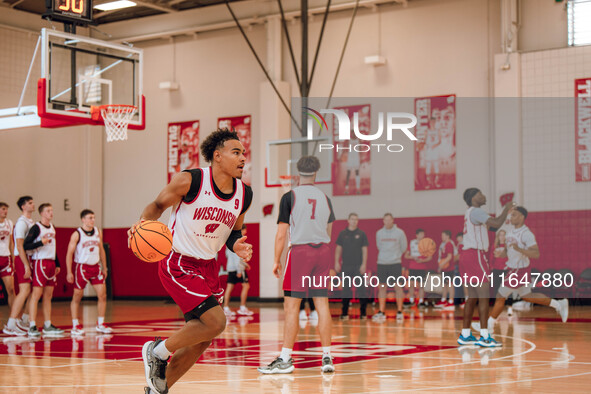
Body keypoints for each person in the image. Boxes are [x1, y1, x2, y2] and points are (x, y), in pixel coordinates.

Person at [129, 129, 253, 394]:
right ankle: (157, 351)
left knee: (204, 335)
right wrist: (142, 225)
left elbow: (234, 231)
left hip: (208, 266)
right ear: (217, 156)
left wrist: (237, 245)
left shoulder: (245, 194)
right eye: (236, 152)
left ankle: (157, 389)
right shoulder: (191, 181)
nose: (243, 157)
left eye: (243, 153)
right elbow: (157, 205)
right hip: (178, 262)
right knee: (216, 322)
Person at [258, 156, 335, 375]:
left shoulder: (290, 196)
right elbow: (329, 232)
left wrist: (276, 259)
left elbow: (281, 234)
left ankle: (285, 359)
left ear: (297, 173)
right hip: (323, 251)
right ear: (317, 173)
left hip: (301, 253)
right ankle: (327, 356)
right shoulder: (325, 198)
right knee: (322, 306)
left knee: (292, 308)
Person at [476, 207, 568, 332]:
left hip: (519, 270)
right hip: (514, 269)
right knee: (527, 296)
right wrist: (501, 254)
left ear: (522, 217)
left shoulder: (527, 234)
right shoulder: (510, 232)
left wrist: (520, 249)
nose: (511, 217)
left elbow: (536, 254)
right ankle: (559, 304)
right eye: (511, 215)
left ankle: (488, 325)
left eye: (514, 215)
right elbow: (508, 251)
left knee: (500, 295)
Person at [457, 188, 514, 348]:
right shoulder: (476, 211)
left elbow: (493, 227)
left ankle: (465, 334)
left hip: (467, 256)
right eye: (480, 194)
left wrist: (506, 215)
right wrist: (506, 208)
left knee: (473, 297)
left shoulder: (471, 213)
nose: (484, 196)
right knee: (483, 295)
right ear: (473, 198)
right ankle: (485, 336)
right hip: (475, 255)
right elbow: (496, 223)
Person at [66, 209, 112, 335]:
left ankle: (101, 323)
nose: (92, 220)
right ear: (83, 219)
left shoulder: (98, 232)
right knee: (77, 296)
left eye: (93, 217)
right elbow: (69, 254)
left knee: (102, 295)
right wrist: (69, 272)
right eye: (90, 217)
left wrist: (105, 267)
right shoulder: (77, 234)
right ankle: (75, 325)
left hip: (96, 267)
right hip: (82, 268)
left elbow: (101, 249)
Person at [23, 203, 64, 337]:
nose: (51, 213)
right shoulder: (36, 227)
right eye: (48, 211)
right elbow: (26, 245)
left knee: (48, 296)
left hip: (51, 263)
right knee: (36, 295)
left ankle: (47, 324)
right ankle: (32, 325)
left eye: (52, 210)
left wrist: (57, 263)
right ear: (42, 213)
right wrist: (41, 242)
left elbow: (53, 247)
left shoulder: (52, 227)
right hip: (40, 262)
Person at [2, 196, 35, 336]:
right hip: (22, 258)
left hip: (22, 257)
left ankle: (23, 321)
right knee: (25, 290)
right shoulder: (21, 223)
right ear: (23, 206)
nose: (33, 205)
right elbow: (20, 245)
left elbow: (14, 243)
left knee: (30, 291)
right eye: (30, 203)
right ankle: (11, 324)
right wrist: (25, 264)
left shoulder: (28, 222)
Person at [373, 214, 408, 322]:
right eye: (385, 220)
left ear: (393, 220)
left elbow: (404, 247)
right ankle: (381, 312)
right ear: (383, 221)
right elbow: (379, 246)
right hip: (382, 263)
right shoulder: (379, 233)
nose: (387, 222)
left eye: (389, 220)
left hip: (395, 263)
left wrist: (394, 256)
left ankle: (399, 311)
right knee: (382, 287)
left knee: (398, 287)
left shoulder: (400, 233)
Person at [335, 213, 369, 320]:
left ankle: (363, 313)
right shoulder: (342, 234)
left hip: (358, 266)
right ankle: (344, 313)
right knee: (346, 290)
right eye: (352, 219)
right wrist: (336, 261)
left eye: (356, 220)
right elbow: (338, 249)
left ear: (358, 221)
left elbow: (365, 250)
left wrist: (364, 264)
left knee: (361, 290)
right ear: (348, 220)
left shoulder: (362, 234)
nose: (354, 221)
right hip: (346, 266)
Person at [223, 224, 253, 317]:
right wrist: (240, 270)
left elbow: (230, 256)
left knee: (229, 288)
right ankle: (242, 307)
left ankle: (226, 308)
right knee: (246, 286)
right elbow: (237, 258)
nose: (246, 233)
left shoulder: (229, 242)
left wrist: (245, 264)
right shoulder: (238, 242)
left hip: (231, 268)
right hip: (237, 269)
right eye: (244, 230)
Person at [404, 229, 429, 308]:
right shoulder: (412, 243)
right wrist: (413, 257)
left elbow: (430, 257)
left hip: (422, 267)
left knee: (421, 285)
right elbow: (406, 255)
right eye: (421, 234)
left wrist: (422, 260)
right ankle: (411, 300)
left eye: (423, 234)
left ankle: (421, 301)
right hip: (413, 267)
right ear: (417, 235)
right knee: (411, 284)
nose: (422, 236)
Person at [434, 230, 455, 310]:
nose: (441, 237)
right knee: (444, 285)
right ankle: (444, 300)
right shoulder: (444, 245)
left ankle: (451, 302)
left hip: (449, 268)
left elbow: (449, 257)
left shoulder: (449, 244)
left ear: (447, 236)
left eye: (443, 235)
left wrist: (442, 264)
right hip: (444, 269)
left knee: (450, 284)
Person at [0, 202, 15, 309]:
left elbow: (11, 242)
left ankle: (13, 319)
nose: (6, 211)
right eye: (3, 209)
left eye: (6, 209)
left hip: (6, 258)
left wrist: (14, 260)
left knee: (10, 289)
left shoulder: (9, 223)